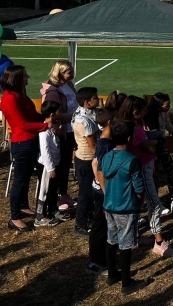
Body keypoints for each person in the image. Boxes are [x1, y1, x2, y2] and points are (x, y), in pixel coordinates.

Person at [118, 96, 173, 258]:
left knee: (136, 203)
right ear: (135, 112)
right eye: (142, 111)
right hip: (142, 169)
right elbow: (148, 149)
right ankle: (159, 242)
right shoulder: (134, 129)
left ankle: (135, 236)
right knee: (154, 203)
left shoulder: (131, 124)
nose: (145, 113)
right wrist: (155, 142)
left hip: (142, 168)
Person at [101, 121, 150, 296]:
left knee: (111, 239)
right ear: (129, 138)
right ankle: (127, 283)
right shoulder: (132, 160)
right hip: (126, 207)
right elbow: (139, 186)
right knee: (126, 244)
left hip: (109, 205)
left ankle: (112, 274)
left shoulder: (106, 157)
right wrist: (139, 201)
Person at [1, 65, 52, 232]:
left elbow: (31, 115)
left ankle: (23, 206)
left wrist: (45, 117)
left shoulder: (19, 94)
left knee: (26, 176)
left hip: (29, 141)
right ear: (15, 79)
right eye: (24, 76)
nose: (27, 78)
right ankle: (14, 217)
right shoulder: (10, 99)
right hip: (22, 143)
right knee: (20, 180)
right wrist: (45, 125)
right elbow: (22, 124)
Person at [143, 93, 173, 213]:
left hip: (162, 147)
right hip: (154, 149)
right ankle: (156, 203)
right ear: (158, 105)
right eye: (166, 106)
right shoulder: (148, 116)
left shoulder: (163, 113)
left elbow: (167, 125)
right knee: (155, 175)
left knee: (171, 169)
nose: (169, 108)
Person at [41, 60, 79, 211]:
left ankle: (64, 193)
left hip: (71, 130)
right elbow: (53, 113)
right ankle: (57, 196)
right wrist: (73, 117)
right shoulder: (53, 91)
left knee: (66, 163)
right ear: (60, 73)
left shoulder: (68, 84)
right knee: (60, 164)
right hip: (62, 131)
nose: (73, 74)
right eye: (69, 72)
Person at [87, 106, 117, 274]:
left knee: (102, 224)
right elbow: (98, 168)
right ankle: (97, 261)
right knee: (100, 225)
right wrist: (107, 192)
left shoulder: (103, 140)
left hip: (100, 188)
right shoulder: (106, 144)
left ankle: (102, 258)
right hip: (102, 191)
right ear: (110, 122)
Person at [72, 86, 100, 237]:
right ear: (87, 102)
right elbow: (92, 145)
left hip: (84, 158)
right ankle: (80, 225)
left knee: (89, 192)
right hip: (87, 159)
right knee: (85, 193)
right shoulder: (85, 121)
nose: (98, 99)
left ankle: (89, 217)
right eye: (95, 98)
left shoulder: (82, 112)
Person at [35, 101, 64, 227]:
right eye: (59, 111)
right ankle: (40, 216)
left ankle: (52, 211)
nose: (61, 113)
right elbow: (45, 151)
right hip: (46, 166)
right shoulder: (44, 132)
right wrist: (50, 168)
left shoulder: (52, 128)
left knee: (52, 189)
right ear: (52, 114)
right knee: (44, 190)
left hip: (54, 163)